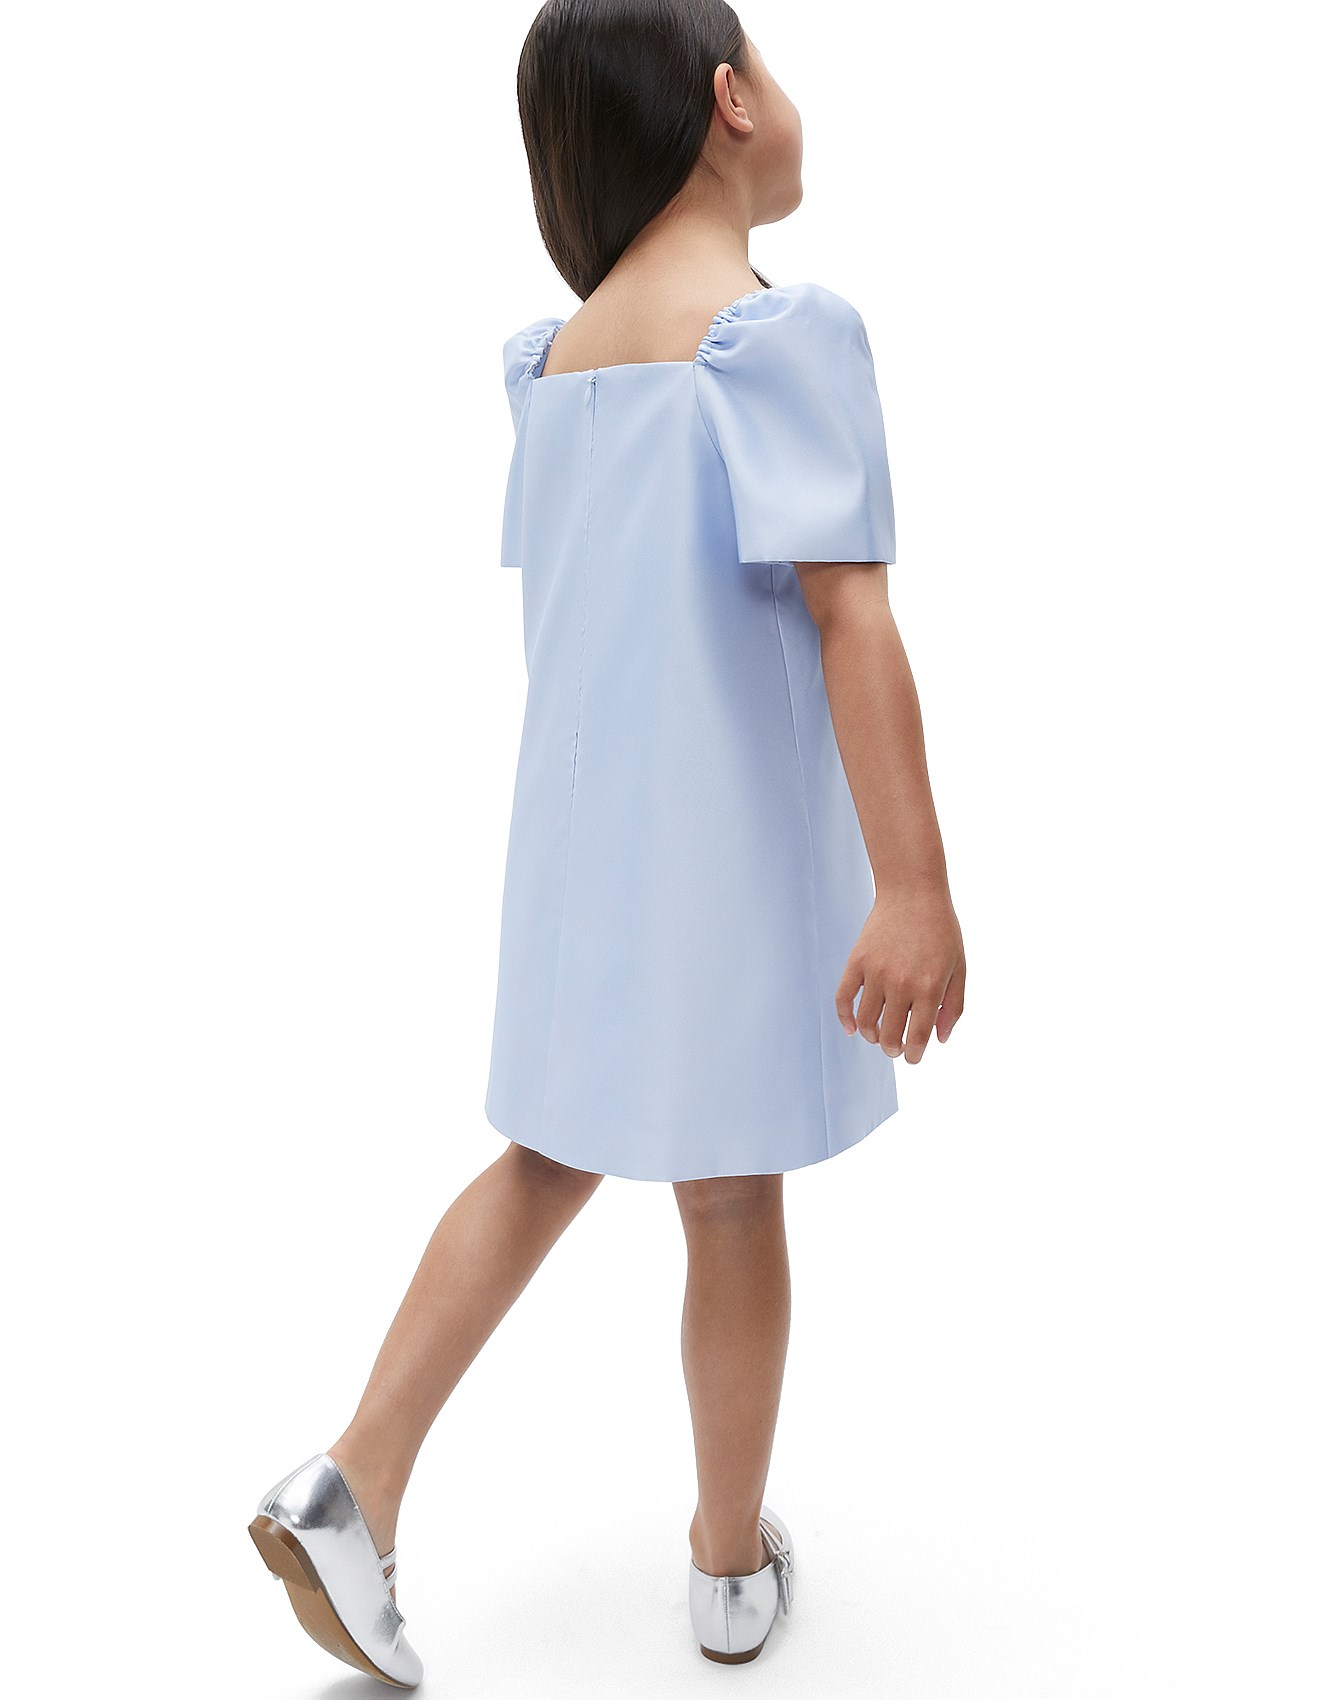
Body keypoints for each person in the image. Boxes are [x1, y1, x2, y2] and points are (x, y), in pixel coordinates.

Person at [247, 1, 965, 1684]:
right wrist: (914, 885)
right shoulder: (776, 336)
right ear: (730, 101)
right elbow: (850, 618)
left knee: (542, 1162)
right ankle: (728, 1569)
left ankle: (355, 1476)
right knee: (730, 1199)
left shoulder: (560, 361)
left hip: (573, 852)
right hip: (723, 855)